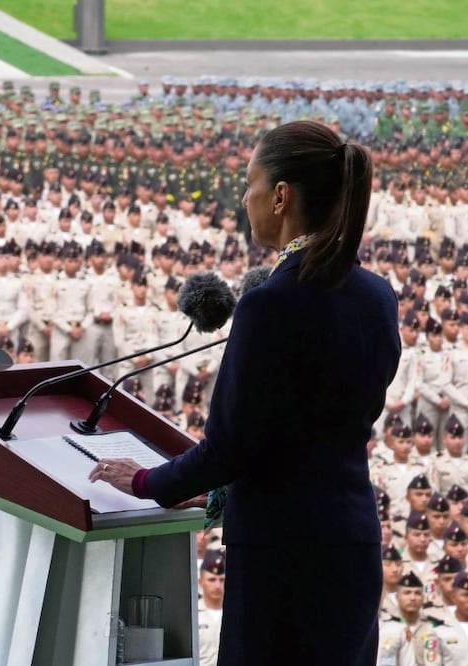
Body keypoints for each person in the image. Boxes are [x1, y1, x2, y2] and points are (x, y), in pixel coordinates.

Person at [92, 122, 401, 664]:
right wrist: (220, 495)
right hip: (351, 543)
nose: (245, 197)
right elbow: (313, 435)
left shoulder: (272, 303)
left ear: (281, 196)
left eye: (250, 182)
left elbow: (229, 447)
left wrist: (145, 481)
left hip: (283, 557)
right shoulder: (378, 296)